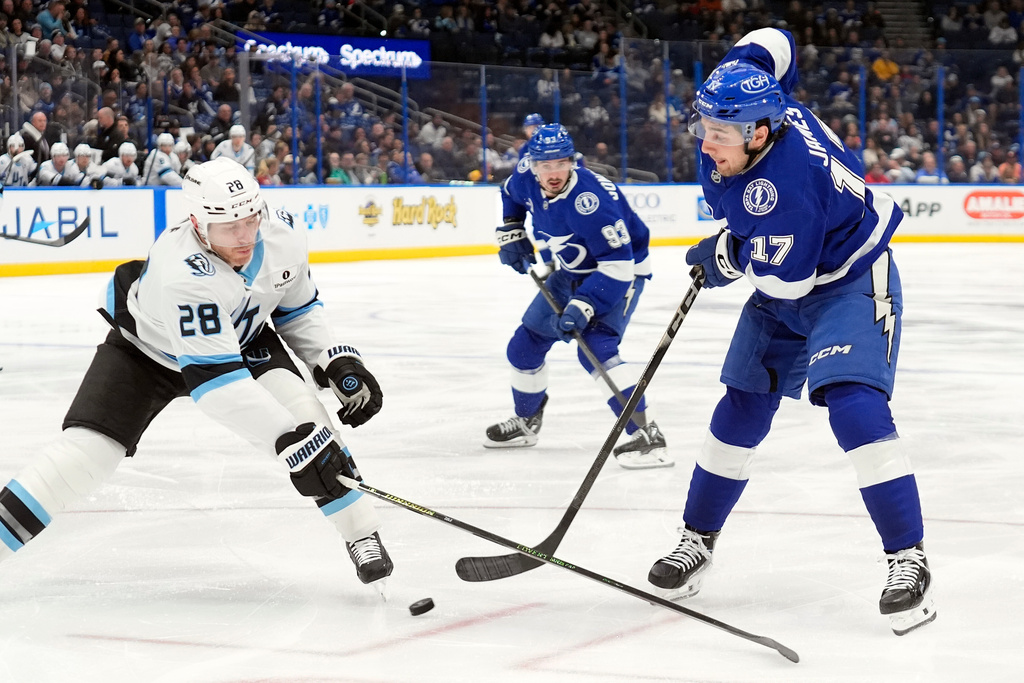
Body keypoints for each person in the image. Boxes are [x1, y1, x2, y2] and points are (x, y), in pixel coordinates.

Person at [646, 28, 935, 637]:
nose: (708, 142)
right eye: (705, 127)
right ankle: (696, 539)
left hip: (849, 278)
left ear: (758, 133)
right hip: (790, 266)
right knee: (742, 405)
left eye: (720, 135)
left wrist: (725, 256)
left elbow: (784, 287)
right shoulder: (741, 96)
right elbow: (771, 40)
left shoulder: (787, 186)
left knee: (853, 406)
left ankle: (908, 558)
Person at [0, 158, 394, 588]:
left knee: (311, 420)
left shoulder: (283, 231)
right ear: (197, 222)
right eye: (229, 227)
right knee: (84, 455)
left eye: (250, 218)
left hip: (243, 341)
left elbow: (296, 308)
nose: (245, 236)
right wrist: (289, 442)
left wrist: (332, 360)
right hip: (145, 352)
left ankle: (362, 533)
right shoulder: (182, 272)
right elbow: (220, 388)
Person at [486, 124, 670, 469]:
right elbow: (509, 194)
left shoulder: (591, 203)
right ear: (531, 163)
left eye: (561, 163)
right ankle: (526, 423)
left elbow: (618, 267)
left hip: (619, 273)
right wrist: (512, 229)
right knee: (523, 348)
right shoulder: (525, 175)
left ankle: (648, 436)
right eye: (545, 164)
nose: (553, 172)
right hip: (571, 270)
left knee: (596, 351)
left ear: (572, 161)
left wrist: (585, 304)